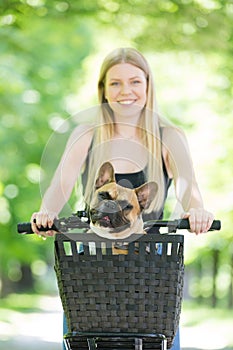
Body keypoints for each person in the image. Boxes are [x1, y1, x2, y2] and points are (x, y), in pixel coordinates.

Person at [31, 47, 214, 350]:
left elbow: (187, 187)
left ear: (148, 86)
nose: (125, 91)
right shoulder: (86, 134)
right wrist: (46, 212)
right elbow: (60, 184)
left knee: (157, 338)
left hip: (150, 263)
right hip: (91, 258)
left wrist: (197, 211)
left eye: (134, 82)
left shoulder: (168, 136)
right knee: (86, 337)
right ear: (103, 89)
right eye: (115, 83)